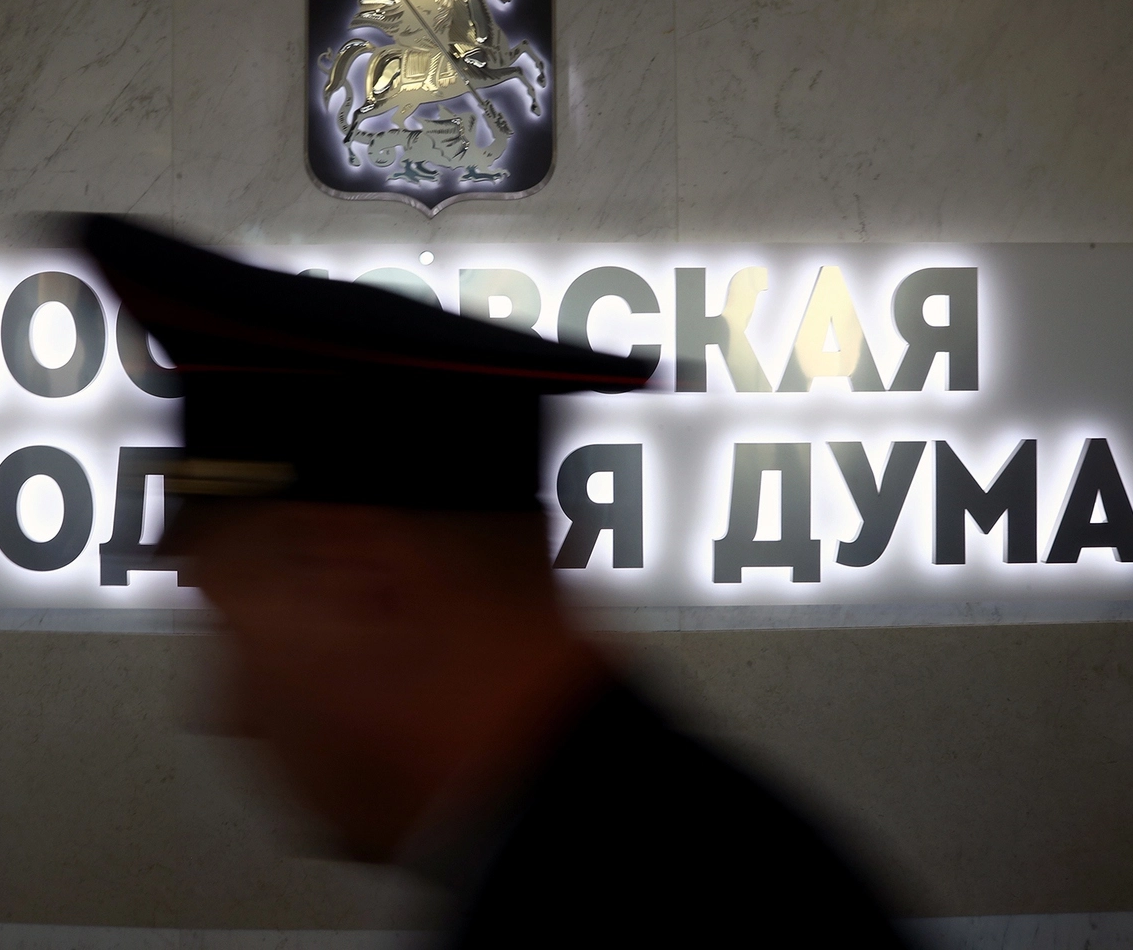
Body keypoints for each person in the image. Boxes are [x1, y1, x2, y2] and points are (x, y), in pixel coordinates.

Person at [81, 214, 907, 948]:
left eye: (229, 628)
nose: (227, 716)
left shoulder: (630, 907)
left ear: (361, 580)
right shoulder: (652, 849)